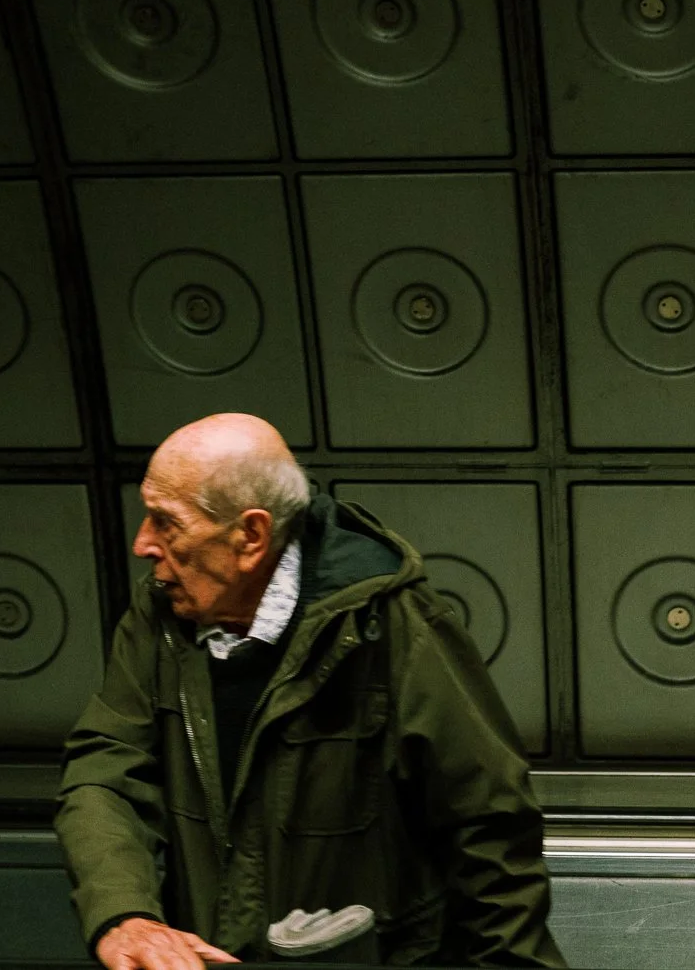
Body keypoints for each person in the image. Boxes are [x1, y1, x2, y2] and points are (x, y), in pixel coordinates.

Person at [55, 412, 564, 970]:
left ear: (251, 536)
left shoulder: (391, 626)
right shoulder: (158, 617)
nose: (142, 544)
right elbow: (107, 771)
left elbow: (489, 830)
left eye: (165, 522)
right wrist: (124, 914)